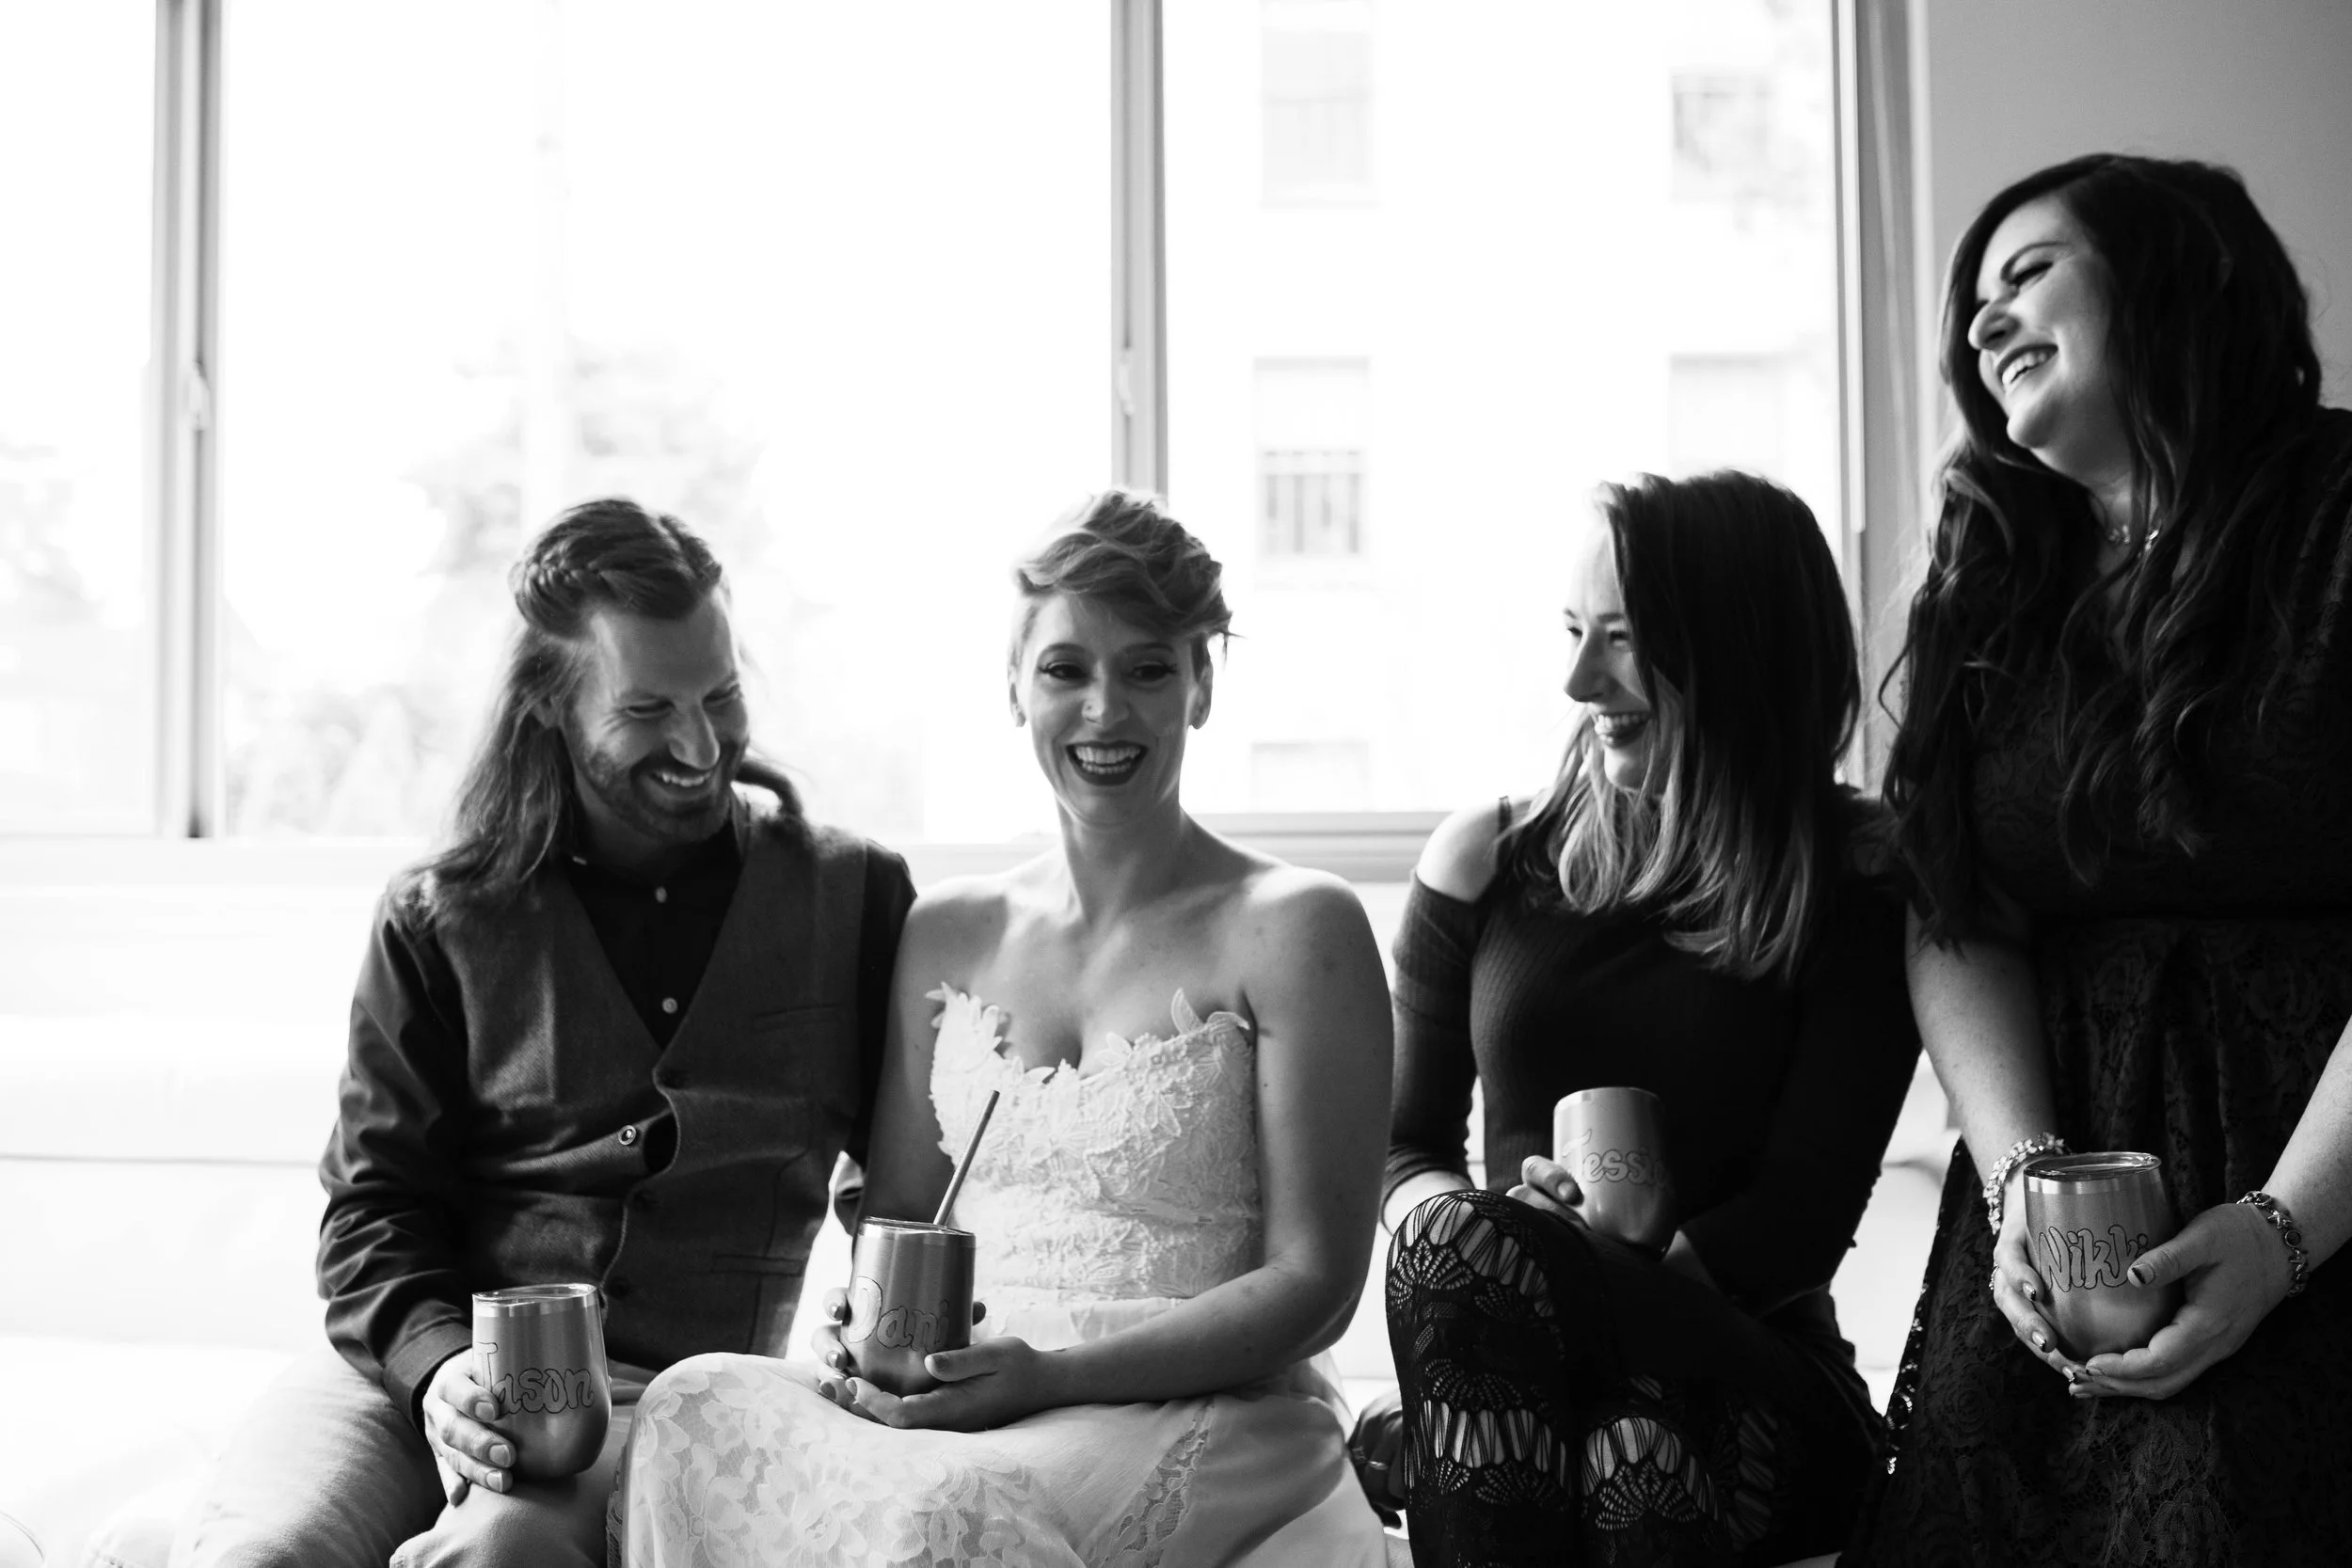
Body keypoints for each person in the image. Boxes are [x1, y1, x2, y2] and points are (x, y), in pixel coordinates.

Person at [612, 491, 1395, 1564]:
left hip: (1197, 1404)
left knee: (942, 1512)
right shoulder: (949, 931)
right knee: (688, 1402)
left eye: (1149, 667)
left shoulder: (1298, 927)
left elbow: (1316, 1285)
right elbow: (897, 1214)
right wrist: (869, 1328)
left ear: (1202, 683)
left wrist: (1053, 1372)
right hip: (966, 1389)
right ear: (1014, 689)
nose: (1104, 711)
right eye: (1066, 668)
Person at [170, 499, 915, 1567]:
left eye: (722, 694)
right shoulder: (439, 915)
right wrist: (436, 1372)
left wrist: (886, 1306)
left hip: (660, 1403)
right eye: (649, 707)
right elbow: (373, 1210)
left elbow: (901, 1187)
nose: (700, 744)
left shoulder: (856, 895)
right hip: (406, 1380)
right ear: (551, 712)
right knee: (256, 1555)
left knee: (504, 1551)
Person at [1849, 154, 2352, 1565]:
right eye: (1972, 307)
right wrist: (2023, 1190)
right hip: (2055, 1225)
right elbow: (1958, 916)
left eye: (2029, 273)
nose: (1984, 323)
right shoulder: (1994, 576)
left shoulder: (2342, 509)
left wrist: (2282, 1232)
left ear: (2174, 280)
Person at [1380, 471, 1920, 1566]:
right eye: (1575, 631)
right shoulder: (1485, 856)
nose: (1579, 679)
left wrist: (1535, 1268)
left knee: (1621, 1440)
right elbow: (1407, 1150)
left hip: (1750, 1372)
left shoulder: (1861, 878)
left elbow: (1798, 1218)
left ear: (1735, 647)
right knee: (1613, 1440)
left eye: (1620, 639)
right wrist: (1497, 1250)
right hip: (1513, 1361)